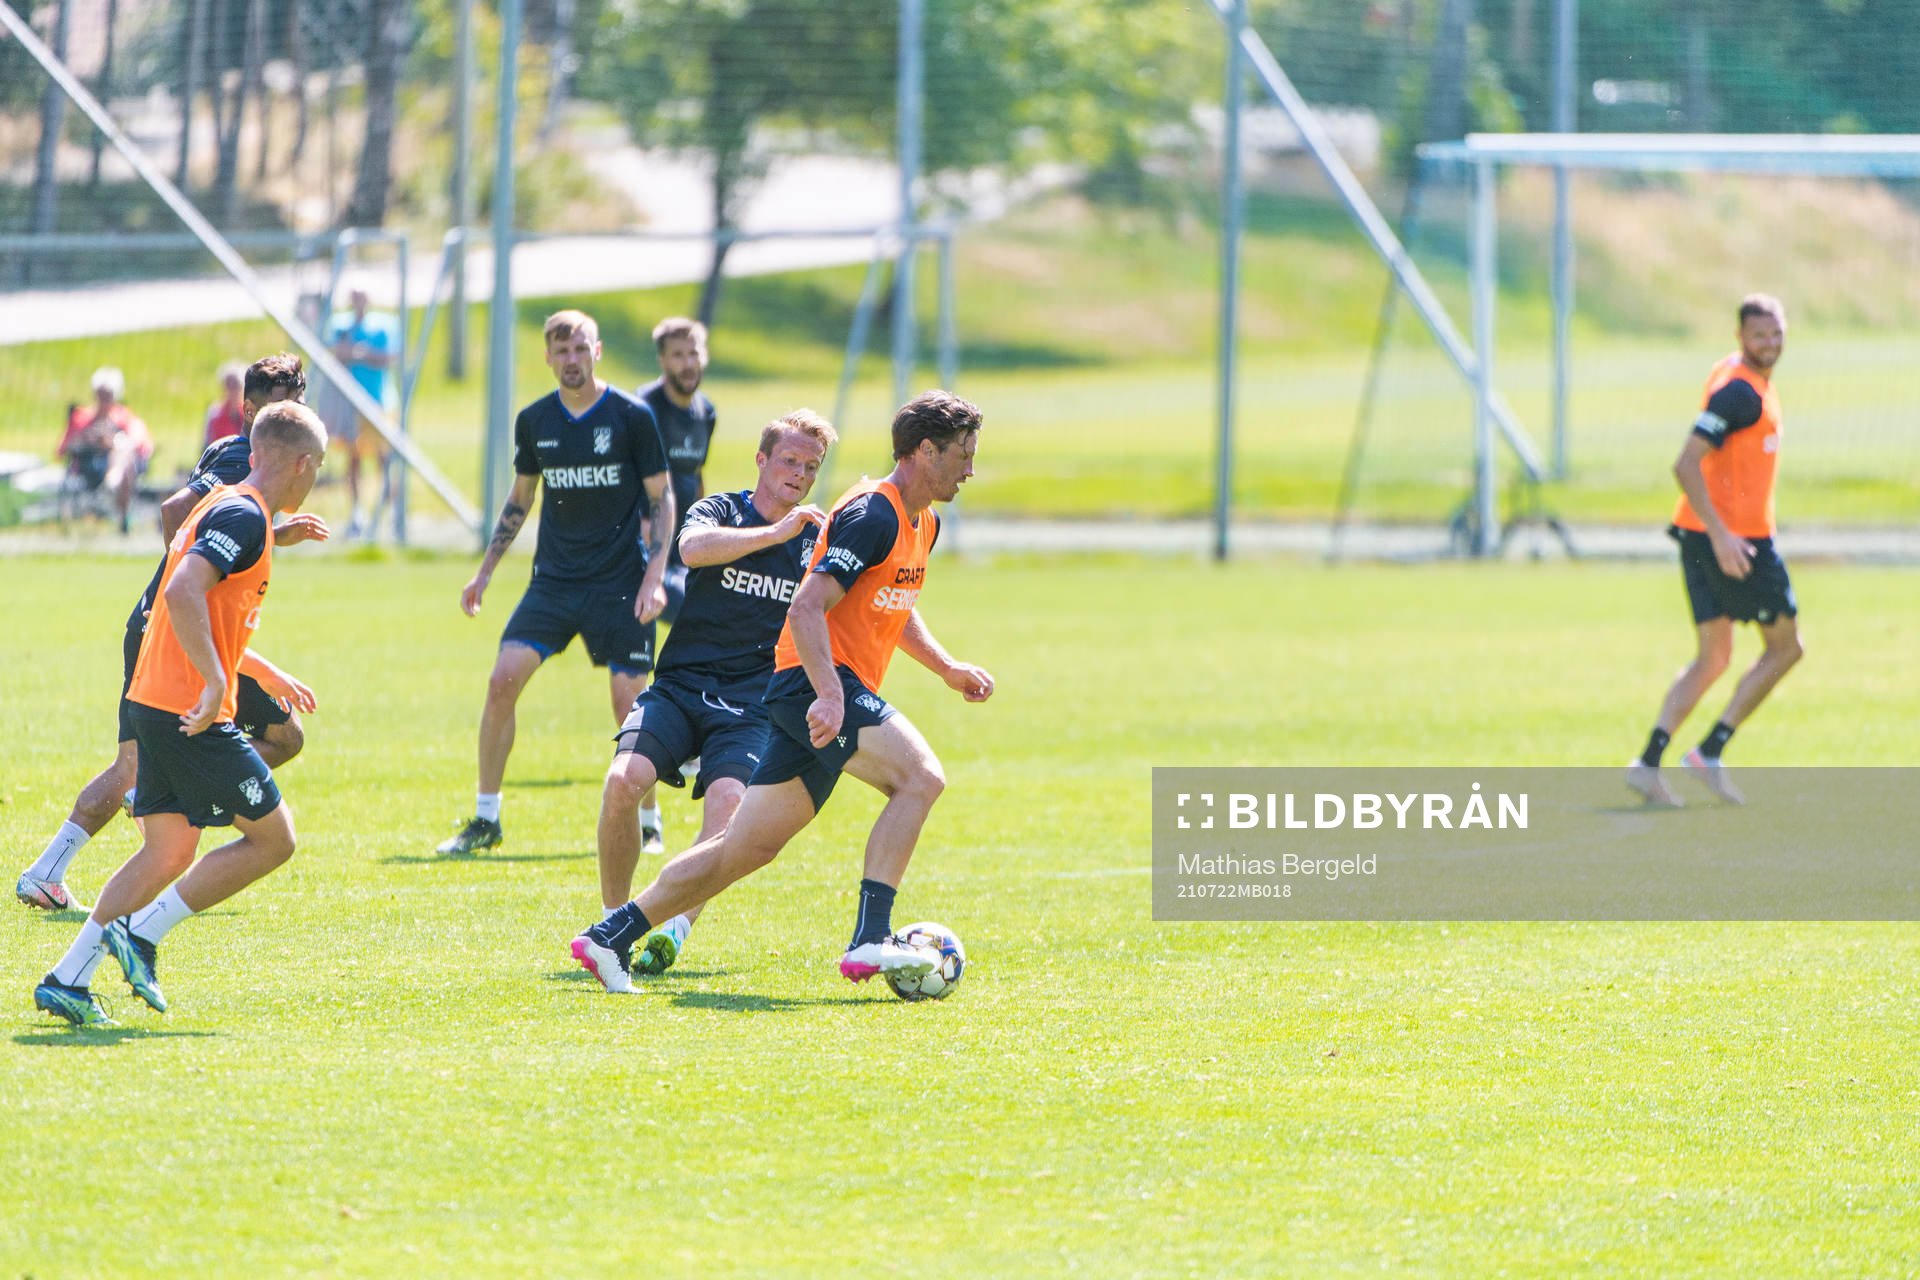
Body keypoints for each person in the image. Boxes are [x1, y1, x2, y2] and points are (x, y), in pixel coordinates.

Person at [572, 390, 992, 994]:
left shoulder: (923, 523)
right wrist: (828, 693)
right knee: (920, 778)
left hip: (816, 692)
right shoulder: (873, 513)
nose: (971, 468)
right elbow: (806, 607)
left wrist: (947, 667)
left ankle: (609, 934)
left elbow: (892, 605)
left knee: (741, 849)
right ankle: (870, 936)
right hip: (815, 686)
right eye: (964, 453)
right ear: (926, 450)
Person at [33, 402, 329, 1027]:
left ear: (255, 455)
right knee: (274, 839)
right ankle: (141, 935)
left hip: (153, 700)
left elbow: (205, 605)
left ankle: (67, 979)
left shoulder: (231, 508)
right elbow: (180, 592)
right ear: (301, 465)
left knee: (168, 852)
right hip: (187, 709)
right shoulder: (244, 516)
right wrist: (218, 677)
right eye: (318, 467)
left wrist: (257, 669)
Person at [597, 410, 834, 976]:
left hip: (753, 705)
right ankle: (612, 925)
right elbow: (692, 549)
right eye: (789, 461)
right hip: (681, 687)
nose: (799, 475)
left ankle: (674, 927)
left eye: (811, 467)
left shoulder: (818, 544)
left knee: (730, 808)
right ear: (761, 460)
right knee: (622, 783)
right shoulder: (722, 510)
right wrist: (774, 533)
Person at [436, 309, 675, 857]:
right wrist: (485, 571)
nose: (572, 359)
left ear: (598, 350)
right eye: (561, 351)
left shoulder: (631, 416)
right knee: (502, 681)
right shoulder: (536, 421)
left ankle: (649, 817)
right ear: (547, 357)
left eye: (581, 348)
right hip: (555, 583)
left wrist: (654, 578)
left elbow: (663, 498)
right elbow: (521, 500)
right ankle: (486, 819)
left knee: (629, 703)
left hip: (621, 582)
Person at [1626, 294, 1802, 809]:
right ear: (1739, 338)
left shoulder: (1737, 377)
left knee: (1715, 656)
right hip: (1734, 542)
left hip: (1699, 533)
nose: (1769, 344)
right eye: (1758, 335)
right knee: (1786, 647)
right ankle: (1710, 750)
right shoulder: (1739, 394)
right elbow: (1685, 464)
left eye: (1776, 333)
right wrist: (1724, 535)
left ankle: (1648, 764)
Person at [628, 317, 719, 855]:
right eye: (678, 355)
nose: (688, 363)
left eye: (695, 353)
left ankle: (695, 729)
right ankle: (681, 727)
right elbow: (639, 479)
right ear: (662, 360)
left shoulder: (705, 412)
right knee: (686, 612)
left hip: (689, 543)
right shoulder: (645, 409)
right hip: (646, 545)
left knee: (716, 609)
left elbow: (694, 480)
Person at [326, 284, 396, 538]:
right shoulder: (341, 325)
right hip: (349, 403)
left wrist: (358, 354)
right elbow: (335, 353)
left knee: (382, 456)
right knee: (353, 458)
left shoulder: (382, 325)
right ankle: (357, 512)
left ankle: (390, 508)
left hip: (378, 401)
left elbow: (387, 357)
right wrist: (355, 353)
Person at [58, 366, 153, 534]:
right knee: (123, 453)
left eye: (108, 395)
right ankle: (112, 486)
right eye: (100, 394)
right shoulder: (81, 418)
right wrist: (90, 440)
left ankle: (113, 485)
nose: (103, 399)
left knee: (123, 450)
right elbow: (62, 449)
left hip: (123, 467)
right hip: (88, 466)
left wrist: (111, 442)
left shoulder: (125, 418)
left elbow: (142, 444)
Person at [204, 363, 247, 446]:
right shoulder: (214, 413)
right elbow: (207, 443)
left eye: (235, 385)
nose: (231, 390)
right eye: (228, 385)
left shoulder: (248, 413)